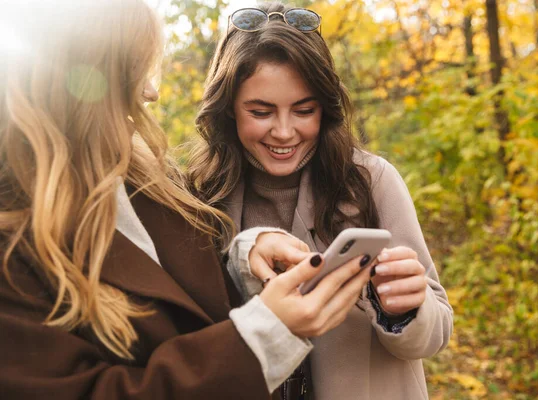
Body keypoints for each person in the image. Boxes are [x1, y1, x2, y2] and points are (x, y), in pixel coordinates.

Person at [0, 1, 374, 399]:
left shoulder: (149, 179)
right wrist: (266, 338)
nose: (152, 92)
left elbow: (196, 291)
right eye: (132, 71)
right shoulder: (14, 243)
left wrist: (248, 253)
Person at [188, 3, 454, 399]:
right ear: (228, 109)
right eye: (261, 111)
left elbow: (434, 335)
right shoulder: (199, 196)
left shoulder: (371, 181)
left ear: (326, 108)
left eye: (304, 110)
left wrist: (404, 310)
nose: (283, 131)